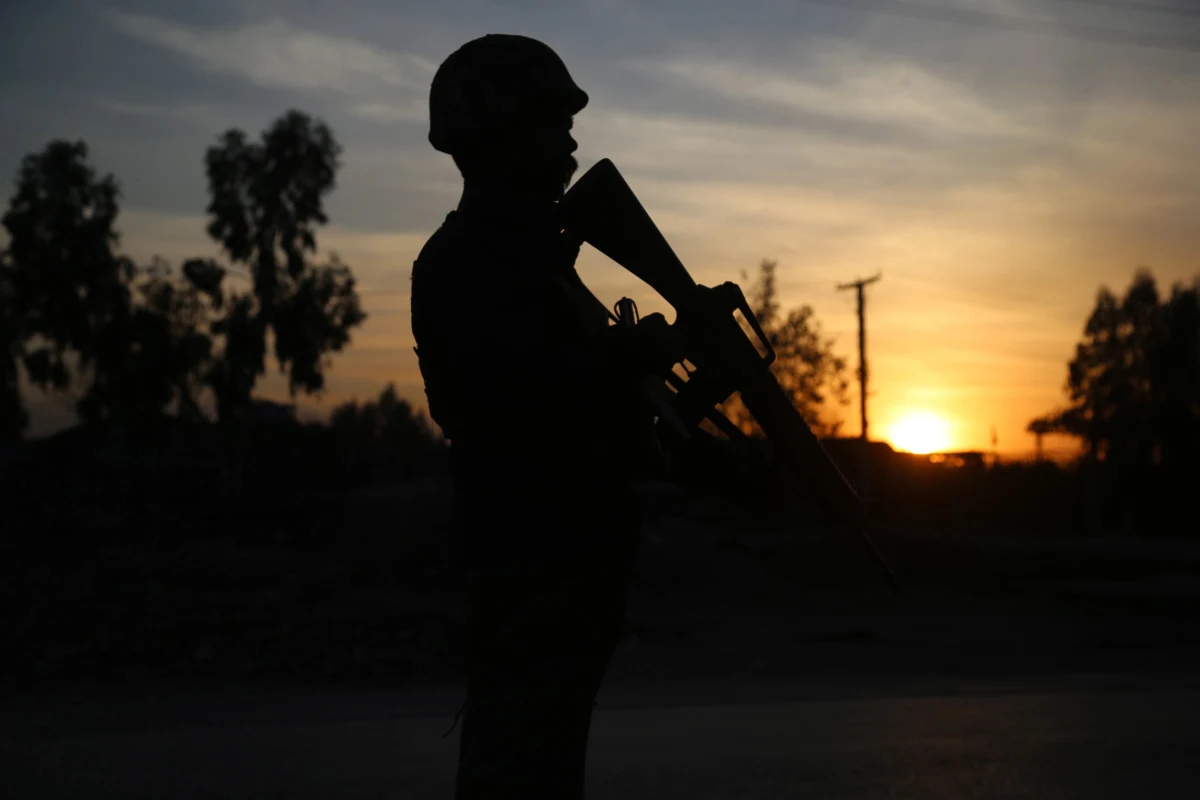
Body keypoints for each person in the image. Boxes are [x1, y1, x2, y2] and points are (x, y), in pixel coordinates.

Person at [410, 34, 684, 799]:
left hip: (568, 567)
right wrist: (621, 365)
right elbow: (494, 411)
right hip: (530, 570)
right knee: (518, 772)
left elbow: (586, 418)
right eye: (550, 123)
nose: (570, 143)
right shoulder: (464, 260)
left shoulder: (539, 261)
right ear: (498, 132)